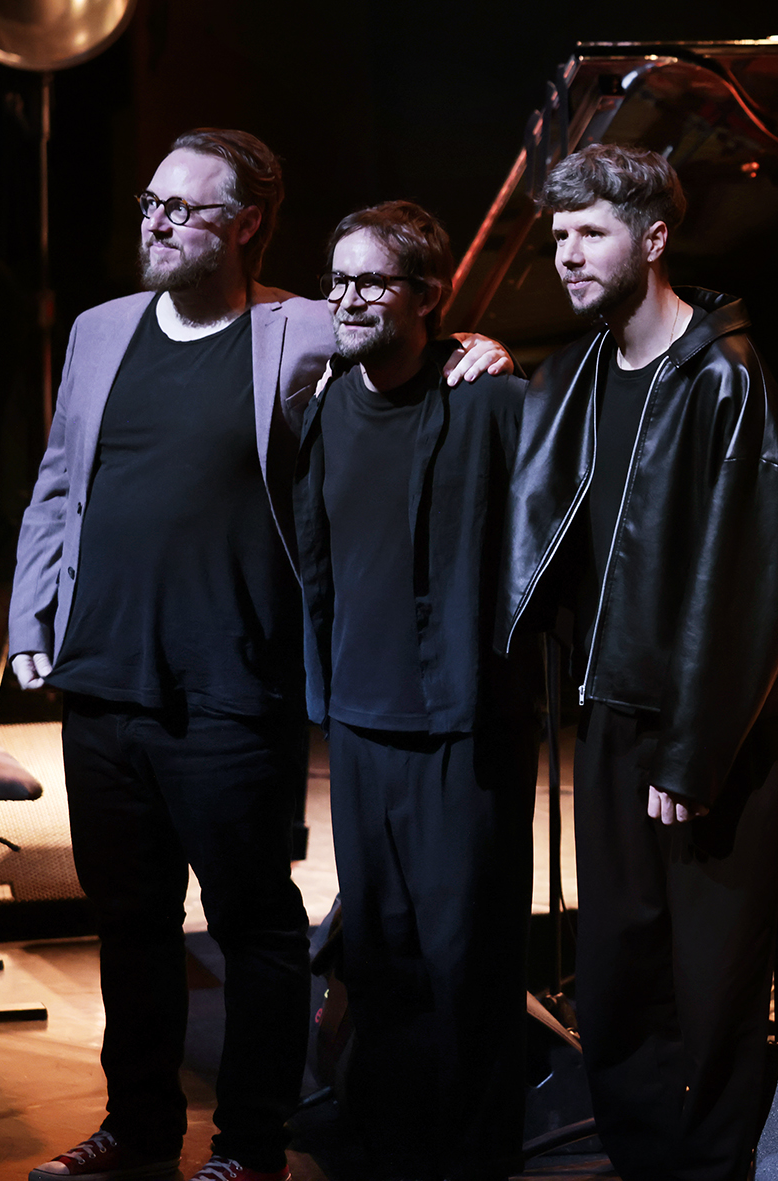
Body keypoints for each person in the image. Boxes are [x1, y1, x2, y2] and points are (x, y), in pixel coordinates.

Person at [8, 129, 508, 1181]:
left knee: (253, 924)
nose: (155, 223)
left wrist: (480, 345)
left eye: (180, 209)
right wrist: (31, 615)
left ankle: (249, 1142)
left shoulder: (301, 327)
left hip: (232, 682)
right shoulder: (100, 329)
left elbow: (403, 321)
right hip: (102, 675)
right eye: (150, 202)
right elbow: (57, 481)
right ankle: (137, 1124)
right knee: (130, 922)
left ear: (244, 224)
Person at [499, 143, 778, 1181]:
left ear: (654, 238)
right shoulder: (576, 371)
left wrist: (692, 749)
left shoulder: (724, 376)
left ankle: (712, 1168)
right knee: (618, 968)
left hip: (704, 730)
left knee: (713, 979)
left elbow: (753, 587)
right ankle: (642, 1162)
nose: (567, 255)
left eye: (590, 233)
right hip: (612, 713)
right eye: (558, 236)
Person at [292, 201, 533, 1181]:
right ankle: (385, 1145)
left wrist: (500, 353)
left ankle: (475, 1157)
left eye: (371, 280)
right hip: (360, 721)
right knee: (380, 954)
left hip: (464, 727)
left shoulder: (492, 401)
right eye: (338, 279)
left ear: (429, 296)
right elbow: (314, 560)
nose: (347, 298)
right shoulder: (324, 406)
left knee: (468, 959)